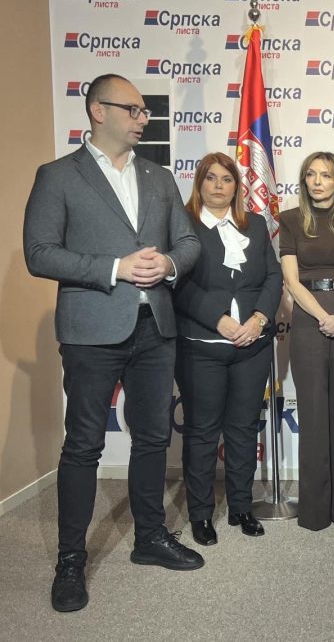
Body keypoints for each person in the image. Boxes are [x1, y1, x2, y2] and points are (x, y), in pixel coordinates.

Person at [23, 73, 202, 612]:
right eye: (133, 109)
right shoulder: (58, 176)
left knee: (152, 438)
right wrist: (114, 268)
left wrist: (168, 262)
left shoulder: (159, 176)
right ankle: (70, 559)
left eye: (144, 111)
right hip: (91, 330)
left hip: (156, 328)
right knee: (83, 444)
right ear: (98, 111)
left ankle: (149, 537)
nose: (143, 118)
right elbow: (39, 252)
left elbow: (188, 241)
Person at [173, 152, 282, 545]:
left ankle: (240, 507)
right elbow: (177, 283)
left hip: (252, 345)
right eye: (211, 178)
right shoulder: (181, 224)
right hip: (202, 345)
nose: (219, 186)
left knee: (242, 429)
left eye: (227, 179)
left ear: (237, 186)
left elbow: (273, 276)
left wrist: (259, 319)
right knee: (202, 433)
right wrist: (218, 320)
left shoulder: (255, 224)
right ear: (199, 183)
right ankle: (201, 514)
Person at [280, 152, 334, 531]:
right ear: (304, 181)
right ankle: (314, 511)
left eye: (326, 175)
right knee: (313, 415)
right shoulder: (289, 220)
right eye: (311, 175)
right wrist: (322, 316)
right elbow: (291, 279)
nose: (318, 181)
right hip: (307, 318)